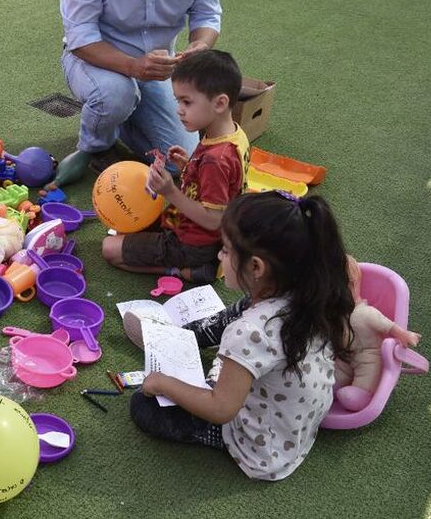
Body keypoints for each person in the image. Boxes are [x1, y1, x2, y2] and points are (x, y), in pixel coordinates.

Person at [129, 191, 356, 481]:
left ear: (256, 267)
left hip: (262, 449)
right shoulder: (310, 291)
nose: (220, 255)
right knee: (241, 309)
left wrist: (163, 383)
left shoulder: (250, 332)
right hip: (295, 426)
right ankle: (183, 336)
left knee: (143, 405)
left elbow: (220, 408)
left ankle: (189, 348)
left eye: (225, 249)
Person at [53, 0, 222, 187]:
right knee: (115, 94)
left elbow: (207, 14)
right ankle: (93, 144)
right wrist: (132, 66)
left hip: (157, 69)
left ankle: (121, 119)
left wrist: (200, 45)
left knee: (178, 160)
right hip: (96, 61)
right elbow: (80, 37)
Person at [102, 50, 249, 284]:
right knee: (122, 230)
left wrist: (170, 191)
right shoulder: (231, 135)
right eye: (178, 100)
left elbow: (213, 219)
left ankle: (189, 272)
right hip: (186, 225)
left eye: (186, 102)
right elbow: (221, 188)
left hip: (195, 243)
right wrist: (188, 168)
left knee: (109, 248)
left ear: (220, 103)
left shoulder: (217, 159)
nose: (179, 109)